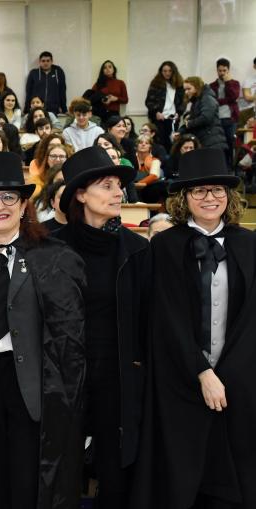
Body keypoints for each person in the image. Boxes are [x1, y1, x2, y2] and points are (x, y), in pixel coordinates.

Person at [0, 151, 85, 509]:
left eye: (9, 197)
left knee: (27, 483)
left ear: (24, 205)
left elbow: (68, 337)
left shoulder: (53, 258)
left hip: (31, 387)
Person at [133, 147, 256, 509]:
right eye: (199, 190)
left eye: (217, 189)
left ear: (228, 195)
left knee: (235, 477)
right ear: (184, 197)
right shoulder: (164, 246)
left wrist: (229, 373)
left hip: (238, 383)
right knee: (183, 477)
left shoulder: (249, 244)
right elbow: (165, 317)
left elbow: (250, 319)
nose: (209, 197)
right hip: (179, 381)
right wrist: (201, 372)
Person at [53, 146, 150, 509]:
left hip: (117, 380)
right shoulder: (50, 248)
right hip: (63, 379)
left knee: (115, 476)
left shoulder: (137, 250)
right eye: (107, 185)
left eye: (119, 186)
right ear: (80, 194)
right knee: (60, 474)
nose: (118, 192)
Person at [179, 76, 228, 153]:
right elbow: (192, 120)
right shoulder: (197, 101)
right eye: (185, 89)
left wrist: (190, 124)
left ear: (197, 88)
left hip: (212, 142)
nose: (186, 92)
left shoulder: (207, 98)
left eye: (189, 89)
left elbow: (206, 117)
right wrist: (180, 131)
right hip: (207, 141)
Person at [145, 61, 185, 152]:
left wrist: (179, 113)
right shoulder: (155, 84)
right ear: (161, 72)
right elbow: (149, 101)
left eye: (170, 71)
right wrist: (156, 112)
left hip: (173, 118)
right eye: (165, 71)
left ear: (173, 71)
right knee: (159, 142)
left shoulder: (179, 85)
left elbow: (183, 102)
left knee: (172, 143)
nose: (167, 73)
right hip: (159, 118)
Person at [210, 58, 241, 167]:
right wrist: (226, 100)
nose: (222, 73)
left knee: (230, 142)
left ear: (228, 70)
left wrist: (228, 82)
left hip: (230, 118)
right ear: (217, 70)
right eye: (220, 70)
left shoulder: (235, 83)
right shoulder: (212, 85)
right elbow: (212, 101)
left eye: (224, 70)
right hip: (217, 118)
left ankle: (230, 166)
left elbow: (233, 96)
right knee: (218, 144)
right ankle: (220, 166)